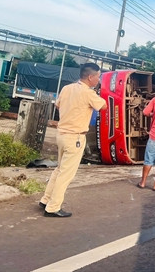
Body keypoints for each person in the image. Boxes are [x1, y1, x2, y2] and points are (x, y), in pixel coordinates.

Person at [39, 63, 106, 217]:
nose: (99, 79)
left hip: (61, 134)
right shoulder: (88, 93)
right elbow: (103, 107)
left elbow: (58, 105)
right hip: (75, 137)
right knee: (66, 174)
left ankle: (46, 200)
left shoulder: (66, 88)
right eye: (98, 76)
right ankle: (53, 207)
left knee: (59, 169)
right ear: (90, 77)